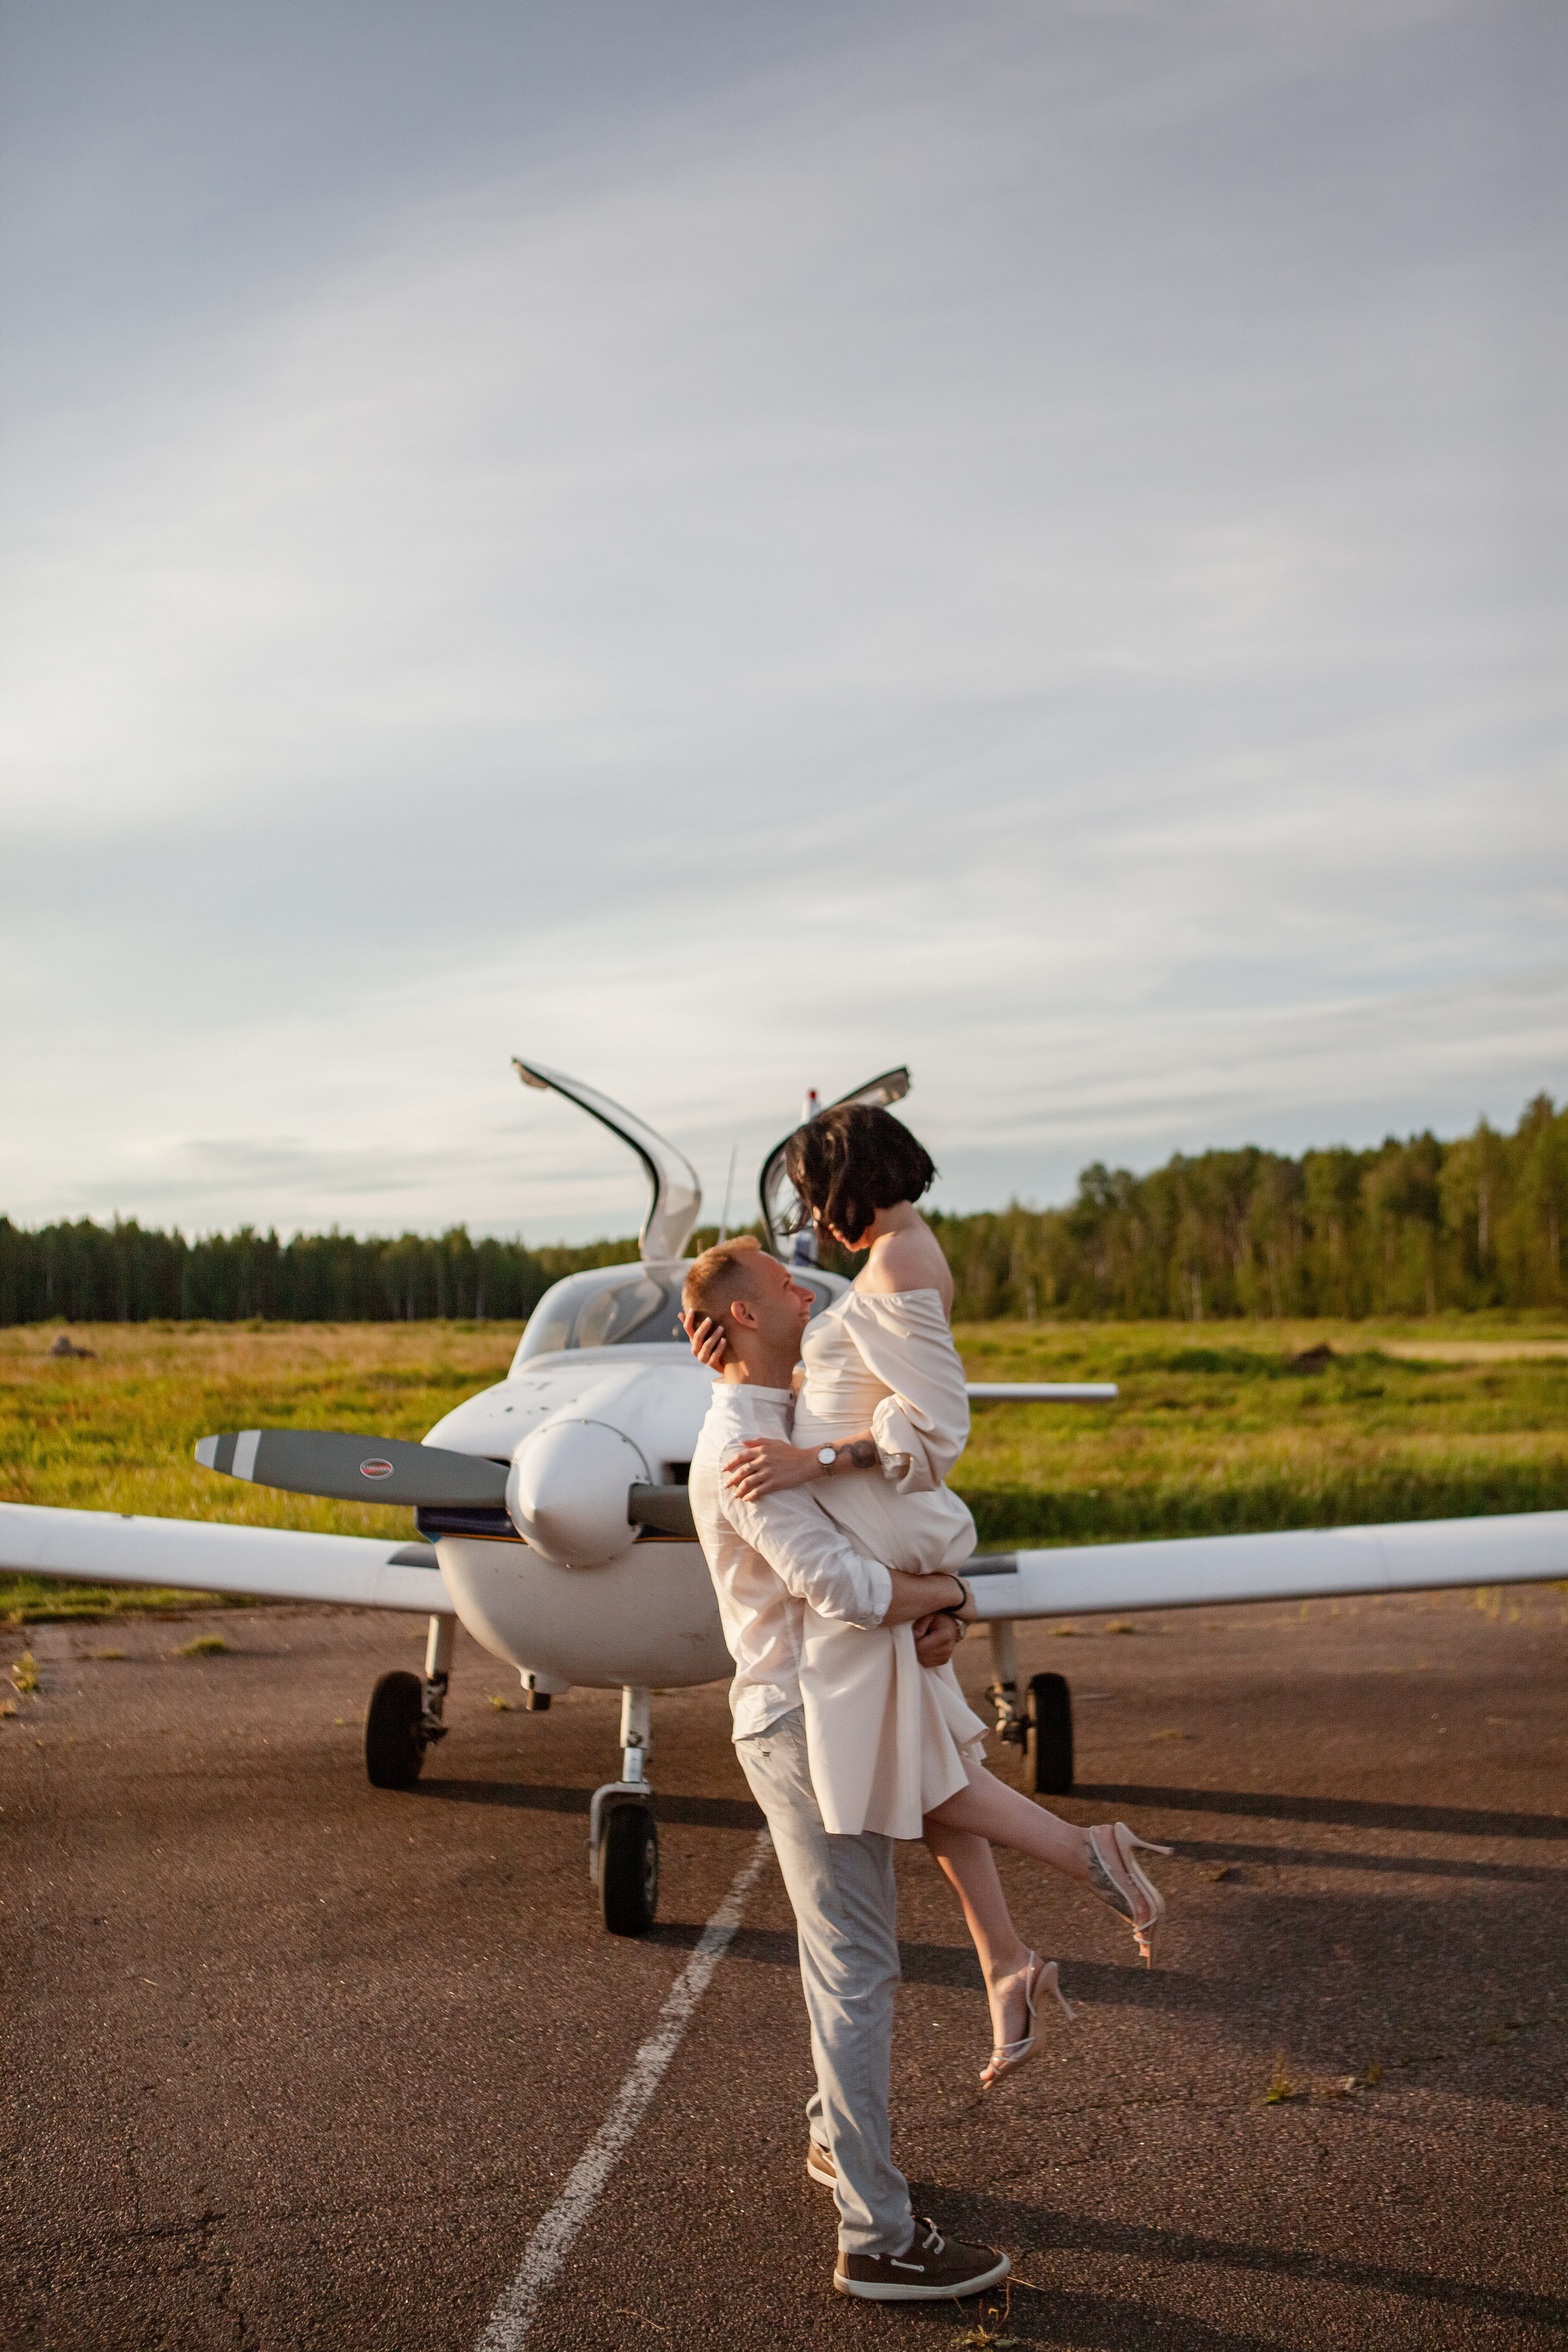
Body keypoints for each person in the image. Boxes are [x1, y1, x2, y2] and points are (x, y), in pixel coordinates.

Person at [685, 1106, 1169, 2073]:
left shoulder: (901, 1260)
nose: (811, 1222)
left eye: (811, 1196)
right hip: (867, 1543)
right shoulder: (895, 1254)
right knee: (922, 1757)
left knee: (901, 1769)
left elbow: (940, 1428)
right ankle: (1006, 1960)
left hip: (867, 1549)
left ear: (844, 1179)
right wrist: (741, 1368)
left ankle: (1086, 1855)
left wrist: (816, 1460)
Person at [685, 1237, 1013, 2304]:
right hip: (798, 1725)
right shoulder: (744, 1447)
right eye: (780, 1282)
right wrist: (951, 1596)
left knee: (855, 1961)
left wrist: (936, 1608)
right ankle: (876, 2238)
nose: (804, 1285)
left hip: (832, 1711)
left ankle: (836, 2138)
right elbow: (847, 1590)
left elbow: (875, 1523)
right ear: (743, 1317)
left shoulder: (787, 1418)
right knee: (857, 1969)